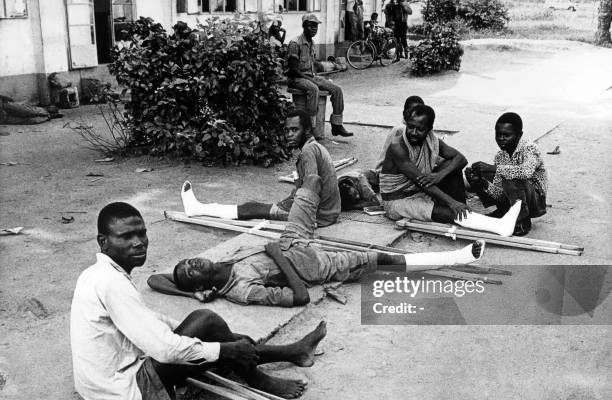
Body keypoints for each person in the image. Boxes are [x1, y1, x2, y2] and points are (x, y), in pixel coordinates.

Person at [71, 202, 328, 400]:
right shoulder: (111, 284)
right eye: (126, 236)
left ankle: (293, 351)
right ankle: (259, 377)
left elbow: (148, 320)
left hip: (102, 387)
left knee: (212, 334)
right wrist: (225, 349)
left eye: (141, 233)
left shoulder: (98, 274)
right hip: (127, 393)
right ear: (103, 242)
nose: (138, 242)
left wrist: (217, 340)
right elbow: (165, 351)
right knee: (207, 321)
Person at [149, 171, 487, 305]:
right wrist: (279, 256)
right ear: (201, 284)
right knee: (378, 259)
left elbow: (154, 279)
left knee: (311, 184)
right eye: (191, 270)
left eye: (187, 261)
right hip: (311, 265)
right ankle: (457, 258)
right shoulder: (240, 290)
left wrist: (189, 292)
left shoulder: (213, 273)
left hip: (290, 241)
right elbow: (299, 298)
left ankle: (331, 192)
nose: (191, 262)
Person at [380, 104, 522, 236]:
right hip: (397, 201)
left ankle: (464, 210)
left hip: (419, 191)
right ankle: (499, 226)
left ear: (429, 129)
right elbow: (421, 182)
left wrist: (439, 175)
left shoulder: (430, 139)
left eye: (420, 129)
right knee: (448, 212)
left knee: (451, 165)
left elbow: (461, 159)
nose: (413, 132)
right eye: (410, 127)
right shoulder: (397, 147)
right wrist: (452, 203)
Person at [180, 110, 341, 227]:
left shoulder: (308, 152)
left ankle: (197, 208)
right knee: (261, 205)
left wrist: (304, 219)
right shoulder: (315, 147)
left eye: (294, 130)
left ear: (306, 130)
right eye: (287, 131)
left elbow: (312, 186)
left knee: (252, 207)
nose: (289, 135)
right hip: (329, 212)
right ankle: (200, 208)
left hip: (318, 216)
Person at [465, 112, 547, 236]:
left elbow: (526, 171)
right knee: (486, 176)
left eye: (506, 135)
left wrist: (493, 168)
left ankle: (522, 221)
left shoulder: (530, 148)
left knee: (511, 176)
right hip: (515, 196)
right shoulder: (500, 156)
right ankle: (504, 212)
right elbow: (500, 193)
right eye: (498, 135)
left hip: (535, 202)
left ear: (519, 135)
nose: (501, 139)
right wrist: (480, 182)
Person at [286, 14, 353, 137]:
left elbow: (313, 63)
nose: (314, 29)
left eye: (316, 26)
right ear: (304, 26)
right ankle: (309, 129)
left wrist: (331, 66)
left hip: (310, 76)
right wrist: (311, 79)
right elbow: (293, 70)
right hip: (296, 78)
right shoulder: (295, 43)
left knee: (337, 90)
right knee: (314, 89)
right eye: (311, 26)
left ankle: (337, 125)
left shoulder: (312, 43)